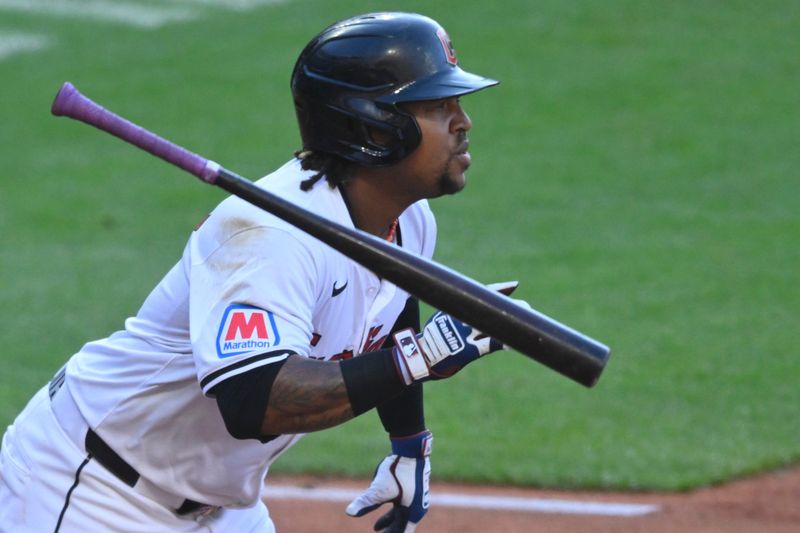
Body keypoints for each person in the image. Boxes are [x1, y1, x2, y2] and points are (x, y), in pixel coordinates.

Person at [0, 12, 528, 533]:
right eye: (439, 106)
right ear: (375, 127)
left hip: (221, 506)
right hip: (95, 488)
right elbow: (253, 398)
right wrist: (421, 358)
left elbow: (389, 312)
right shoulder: (267, 238)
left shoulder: (409, 220)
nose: (463, 123)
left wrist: (409, 443)